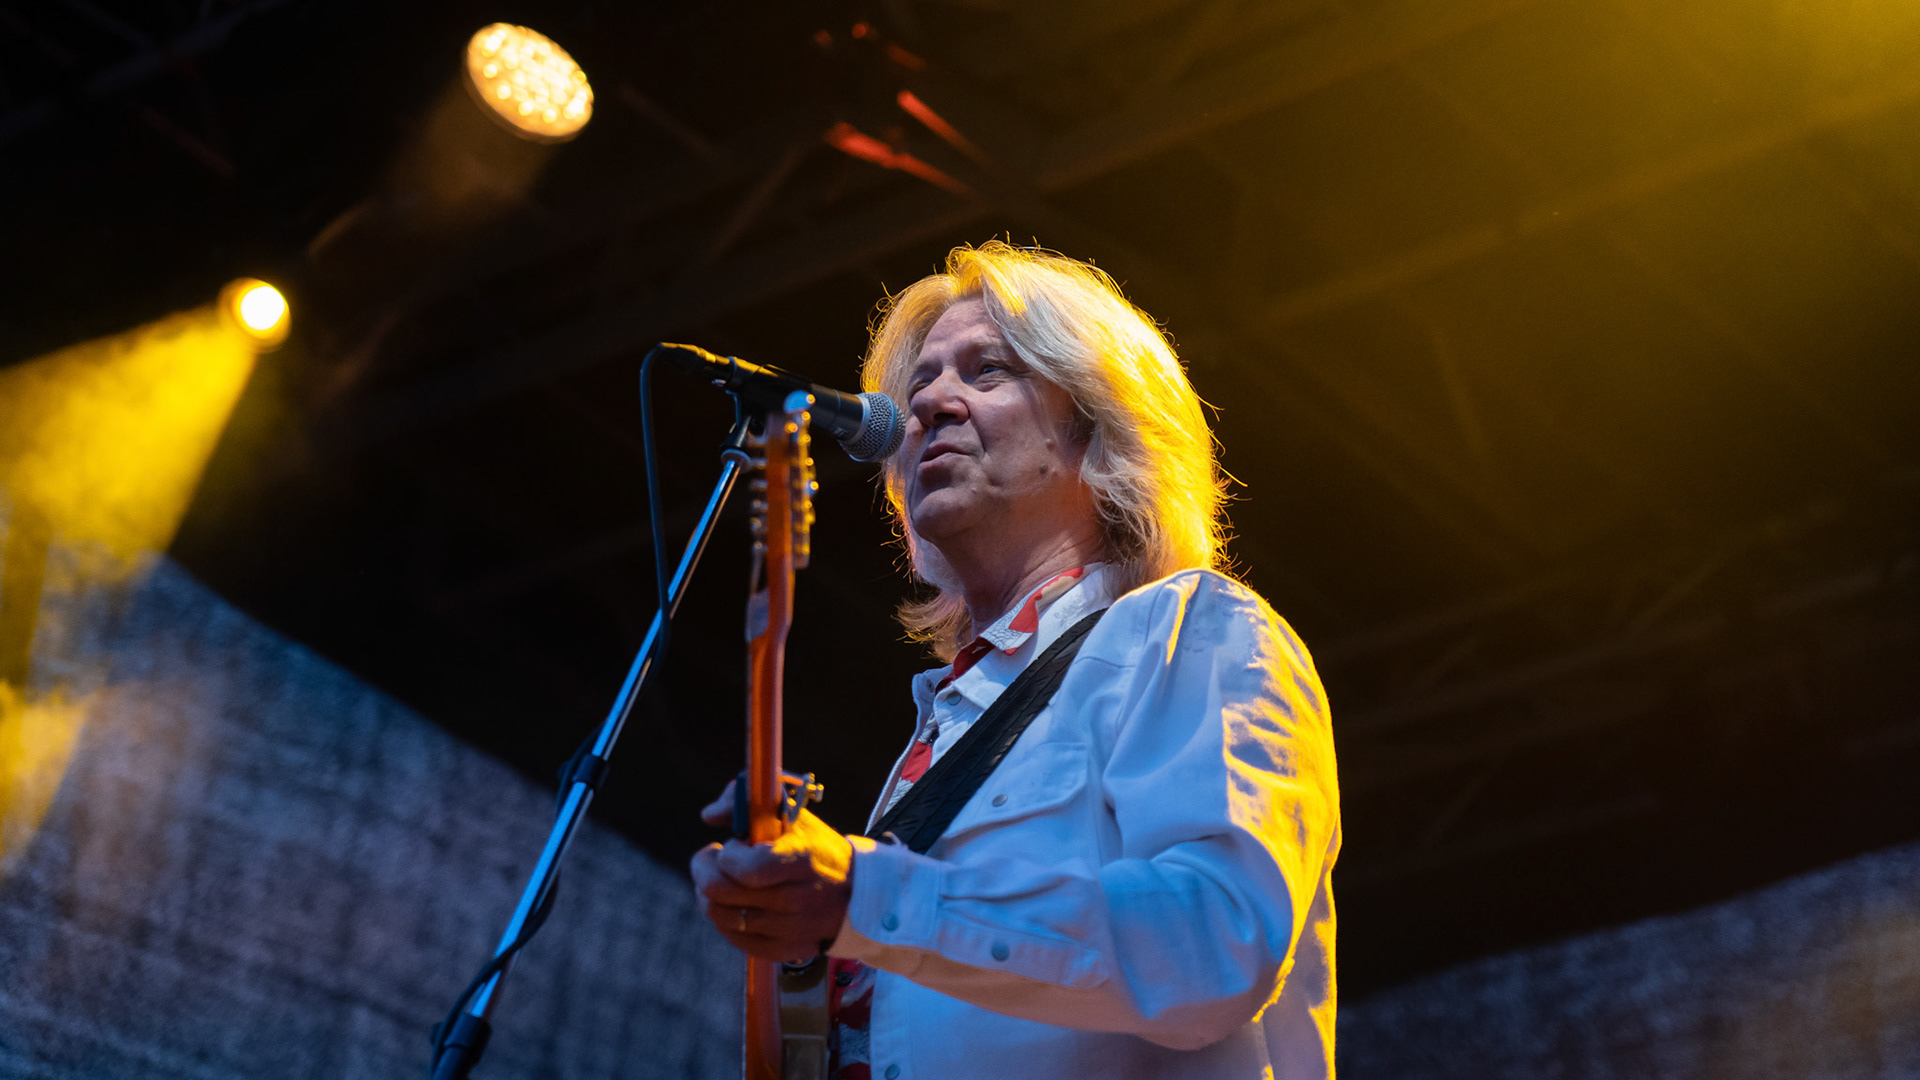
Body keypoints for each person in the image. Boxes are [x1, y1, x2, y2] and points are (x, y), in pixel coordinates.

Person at [690, 242, 1341, 1079]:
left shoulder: (1192, 631)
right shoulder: (942, 729)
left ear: (1097, 423)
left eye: (987, 370)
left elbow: (1214, 945)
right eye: (918, 387)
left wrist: (866, 895)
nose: (929, 405)